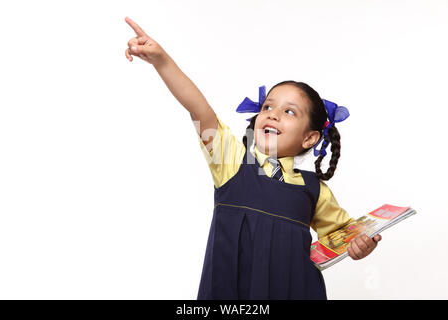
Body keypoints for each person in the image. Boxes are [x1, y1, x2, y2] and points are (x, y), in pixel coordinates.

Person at [124, 16, 382, 300]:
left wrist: (361, 244)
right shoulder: (232, 162)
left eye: (289, 111)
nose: (272, 113)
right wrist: (162, 61)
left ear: (309, 138)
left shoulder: (314, 190)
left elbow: (344, 236)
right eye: (268, 105)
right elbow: (199, 109)